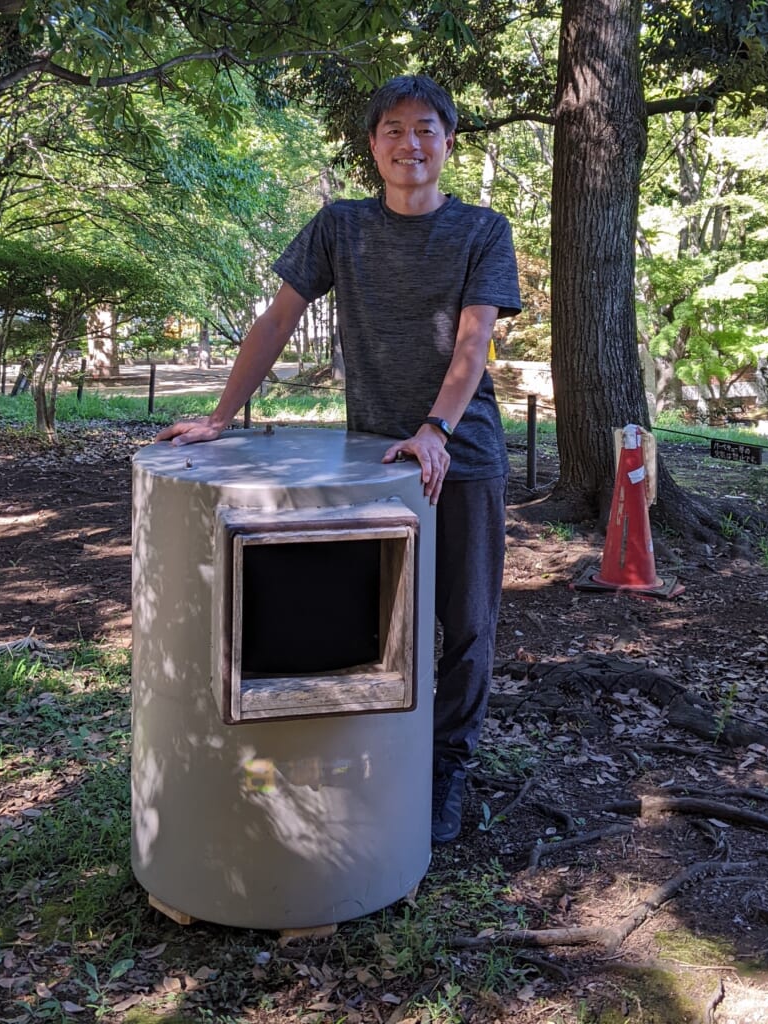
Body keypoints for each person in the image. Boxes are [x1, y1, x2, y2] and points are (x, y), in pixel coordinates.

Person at [155, 74, 521, 843]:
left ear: (447, 142)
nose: (409, 143)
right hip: (370, 463)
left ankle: (447, 764)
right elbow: (278, 316)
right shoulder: (340, 227)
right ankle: (369, 749)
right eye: (393, 128)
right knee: (373, 617)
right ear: (372, 145)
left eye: (426, 128)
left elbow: (473, 339)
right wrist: (222, 416)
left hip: (461, 453)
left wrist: (436, 432)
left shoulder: (483, 229)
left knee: (466, 623)